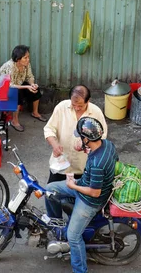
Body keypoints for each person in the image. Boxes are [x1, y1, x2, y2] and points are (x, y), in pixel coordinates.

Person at [45, 117, 118, 273]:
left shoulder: (98, 163)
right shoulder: (107, 145)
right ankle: (56, 227)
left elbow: (95, 192)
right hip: (84, 183)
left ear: (86, 139)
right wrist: (86, 150)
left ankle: (80, 270)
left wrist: (72, 185)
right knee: (50, 190)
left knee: (73, 237)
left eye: (80, 137)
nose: (79, 138)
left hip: (90, 200)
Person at [44, 85, 107, 183]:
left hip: (83, 167)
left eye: (81, 106)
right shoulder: (61, 107)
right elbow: (49, 128)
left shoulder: (96, 112)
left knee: (78, 196)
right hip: (60, 166)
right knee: (51, 194)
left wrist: (86, 146)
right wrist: (54, 144)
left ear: (88, 100)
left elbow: (102, 137)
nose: (77, 108)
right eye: (74, 105)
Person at [0, 45, 45, 132]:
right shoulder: (10, 66)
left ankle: (35, 112)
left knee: (35, 90)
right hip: (3, 88)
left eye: (28, 57)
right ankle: (15, 121)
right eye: (25, 58)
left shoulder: (26, 64)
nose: (28, 59)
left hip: (19, 84)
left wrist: (32, 84)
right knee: (17, 95)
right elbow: (10, 85)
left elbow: (29, 76)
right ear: (18, 59)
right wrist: (26, 87)